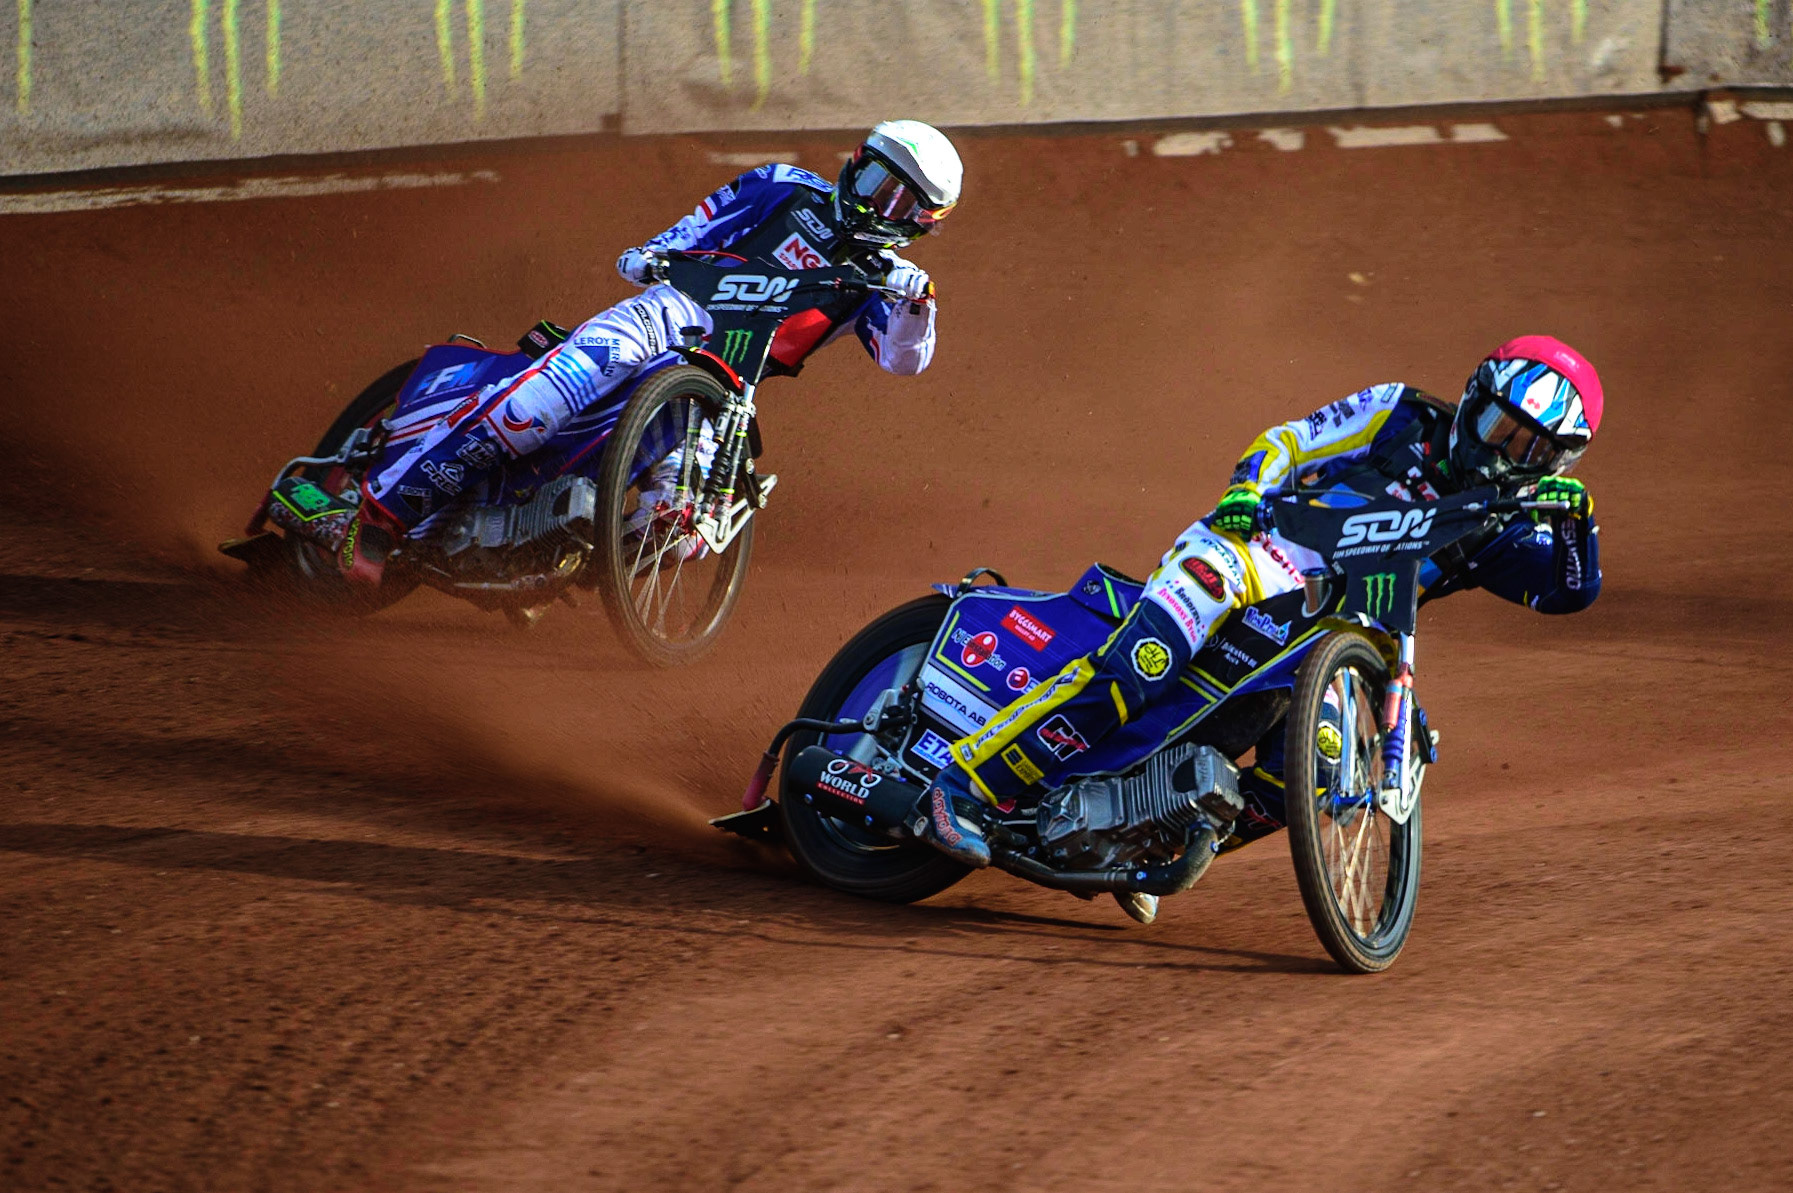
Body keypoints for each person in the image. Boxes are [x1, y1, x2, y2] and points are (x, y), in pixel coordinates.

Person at [921, 336, 1605, 884]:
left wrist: (1578, 525)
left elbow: (1566, 592)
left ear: (1559, 463)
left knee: (1300, 782)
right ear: (1472, 396)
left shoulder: (1510, 523)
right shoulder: (1400, 410)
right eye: (1497, 426)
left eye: (1530, 448)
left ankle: (1137, 838)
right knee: (1143, 666)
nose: (1500, 452)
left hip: (1339, 630)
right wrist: (1249, 486)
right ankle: (963, 785)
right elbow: (1291, 440)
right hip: (1252, 552)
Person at [284, 120, 963, 588]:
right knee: (532, 409)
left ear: (917, 225)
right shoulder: (783, 184)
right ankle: (377, 517)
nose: (878, 201)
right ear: (855, 161)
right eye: (876, 178)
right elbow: (693, 227)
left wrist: (916, 303)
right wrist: (651, 254)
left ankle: (557, 563)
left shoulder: (887, 280)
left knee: (686, 528)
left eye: (898, 201)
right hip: (662, 316)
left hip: (721, 392)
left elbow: (905, 361)